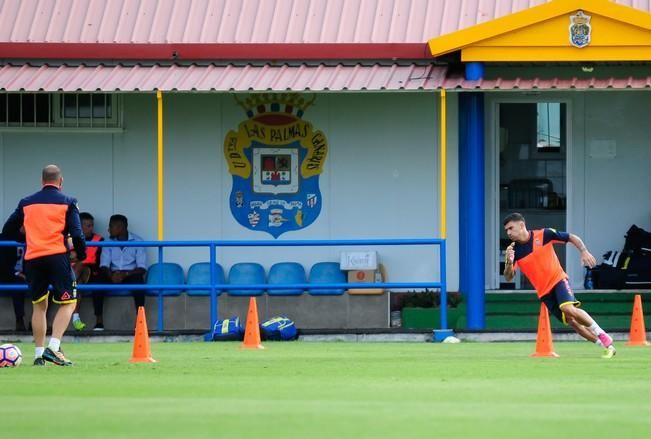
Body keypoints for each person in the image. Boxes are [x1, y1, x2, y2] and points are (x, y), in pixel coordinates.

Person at [2, 164, 86, 366]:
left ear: (42, 182)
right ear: (61, 181)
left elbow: (7, 230)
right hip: (57, 256)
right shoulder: (68, 202)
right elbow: (77, 233)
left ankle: (39, 355)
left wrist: (26, 240)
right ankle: (54, 348)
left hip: (33, 258)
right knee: (69, 302)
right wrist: (80, 255)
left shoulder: (26, 203)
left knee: (39, 305)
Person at [502, 212, 616, 359]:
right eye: (506, 230)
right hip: (544, 292)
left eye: (511, 228)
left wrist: (584, 251)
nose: (509, 232)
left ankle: (602, 334)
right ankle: (606, 346)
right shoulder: (514, 251)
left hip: (558, 280)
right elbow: (509, 277)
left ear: (522, 225)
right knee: (572, 322)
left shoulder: (544, 234)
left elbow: (571, 237)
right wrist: (509, 262)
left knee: (567, 307)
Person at [93, 214, 147, 330]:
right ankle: (99, 322)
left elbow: (142, 268)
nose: (108, 229)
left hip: (130, 274)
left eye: (111, 226)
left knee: (139, 285)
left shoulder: (138, 241)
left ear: (120, 227)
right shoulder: (108, 242)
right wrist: (111, 275)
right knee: (97, 284)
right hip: (112, 274)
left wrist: (125, 274)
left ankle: (140, 323)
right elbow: (104, 265)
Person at [69, 212, 104, 331]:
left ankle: (76, 316)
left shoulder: (99, 239)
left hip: (91, 272)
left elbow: (100, 262)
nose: (91, 228)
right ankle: (75, 317)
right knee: (77, 283)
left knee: (79, 270)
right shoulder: (70, 239)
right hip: (70, 273)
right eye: (87, 225)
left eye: (91, 225)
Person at [0, 228, 27, 332]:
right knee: (18, 284)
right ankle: (19, 320)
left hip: (25, 275)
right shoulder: (5, 238)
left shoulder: (32, 238)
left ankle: (37, 321)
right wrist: (17, 274)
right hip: (6, 274)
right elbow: (2, 264)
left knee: (44, 284)